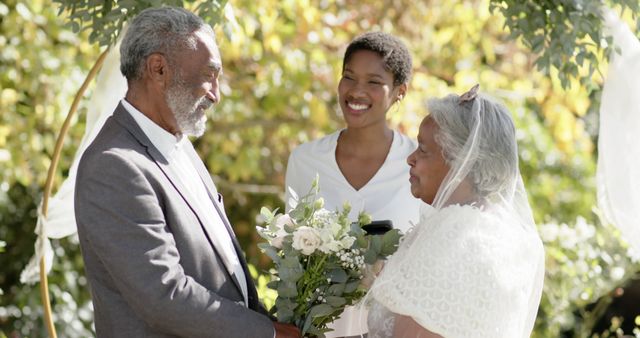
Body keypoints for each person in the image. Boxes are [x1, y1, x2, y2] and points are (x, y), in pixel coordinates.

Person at [74, 7, 299, 338]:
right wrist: (268, 334)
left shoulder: (180, 144)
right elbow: (163, 294)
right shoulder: (114, 165)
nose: (216, 94)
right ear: (159, 69)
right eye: (209, 75)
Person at [367, 85, 545, 338]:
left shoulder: (451, 235)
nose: (411, 159)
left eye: (423, 149)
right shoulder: (506, 234)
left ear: (461, 163)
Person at [284, 32, 421, 337]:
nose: (357, 91)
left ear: (399, 92)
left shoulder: (418, 165)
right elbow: (291, 260)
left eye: (374, 82)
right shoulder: (305, 161)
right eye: (349, 77)